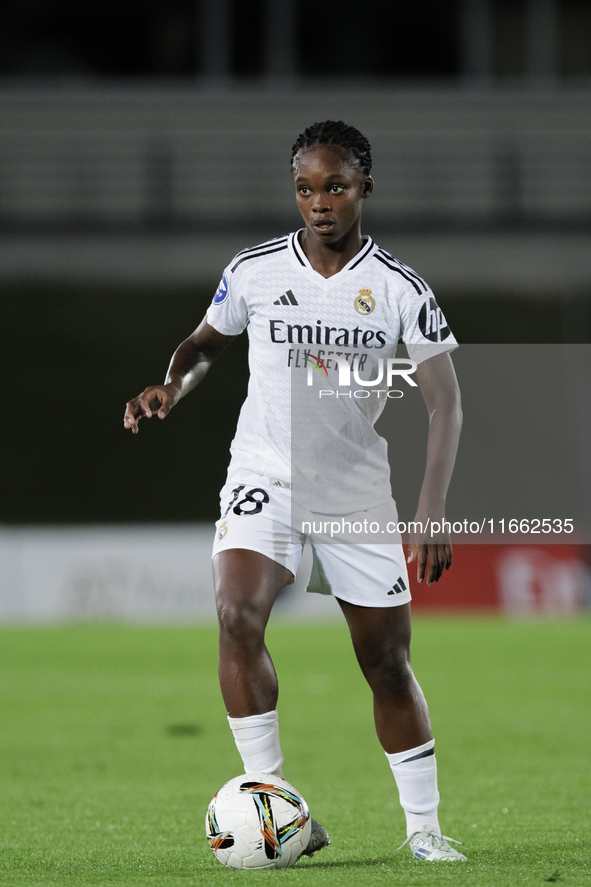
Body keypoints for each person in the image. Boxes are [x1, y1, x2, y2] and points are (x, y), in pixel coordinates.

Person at [124, 120, 465, 862]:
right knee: (235, 612)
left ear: (363, 189)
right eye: (306, 187)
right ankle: (276, 809)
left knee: (384, 660)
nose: (318, 202)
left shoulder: (399, 289)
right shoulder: (253, 270)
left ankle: (423, 828)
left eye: (335, 186)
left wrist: (430, 507)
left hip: (352, 492)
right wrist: (169, 385)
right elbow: (203, 343)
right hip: (263, 473)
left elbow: (444, 401)